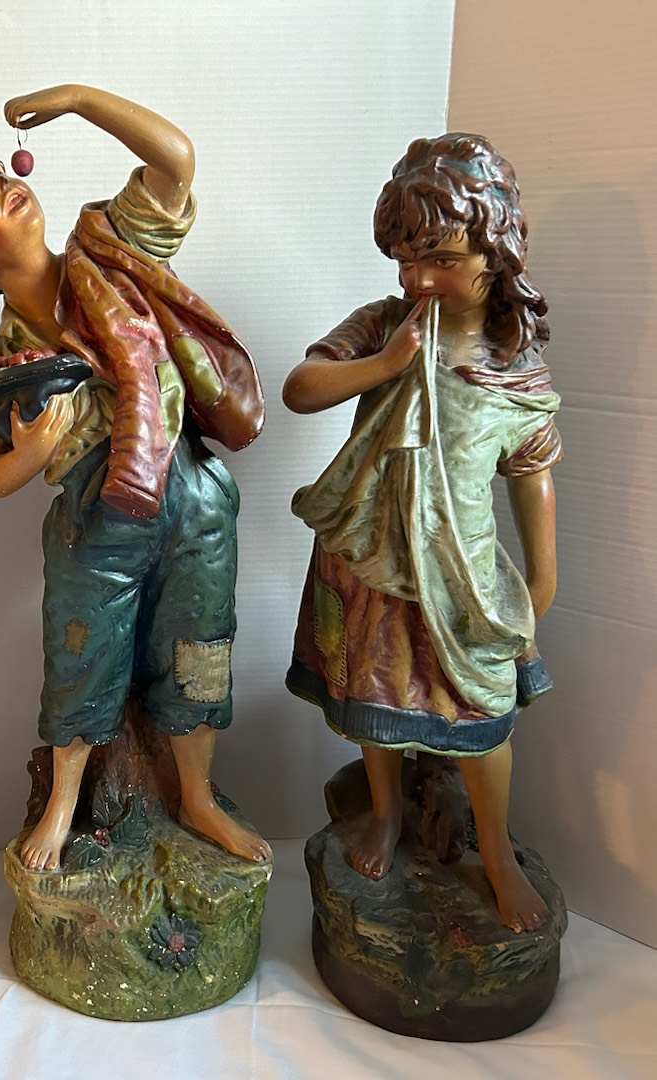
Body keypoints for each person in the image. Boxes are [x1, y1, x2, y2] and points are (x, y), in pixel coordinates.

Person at [0, 84, 271, 871]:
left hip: (188, 492)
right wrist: (30, 453)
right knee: (79, 653)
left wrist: (75, 99)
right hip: (94, 520)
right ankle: (64, 800)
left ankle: (197, 796)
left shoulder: (110, 250)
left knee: (198, 646)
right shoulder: (0, 362)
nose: (0, 187)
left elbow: (175, 162)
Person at [282, 133, 561, 932]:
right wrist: (383, 366)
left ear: (494, 251)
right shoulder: (385, 325)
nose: (418, 280)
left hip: (462, 573)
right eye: (405, 262)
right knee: (374, 697)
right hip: (370, 559)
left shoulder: (511, 365)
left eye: (440, 259)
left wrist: (541, 577)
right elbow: (301, 387)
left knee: (480, 718)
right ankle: (385, 812)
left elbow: (531, 473)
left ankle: (495, 854)